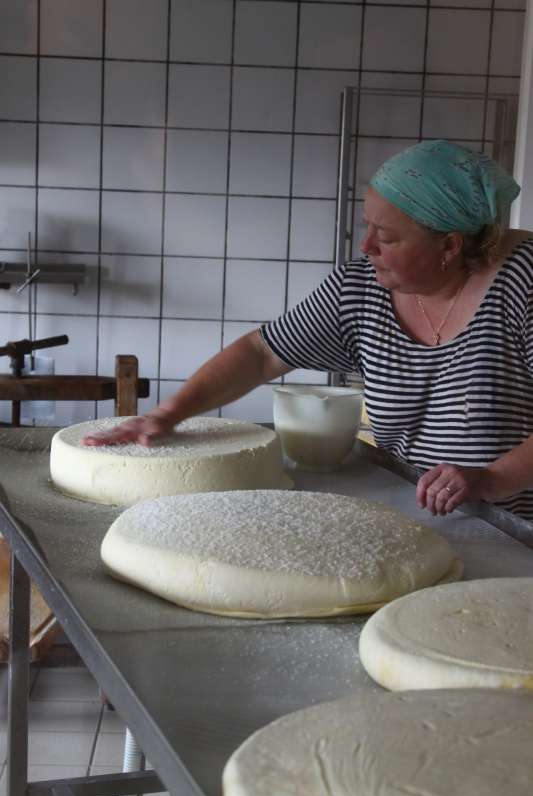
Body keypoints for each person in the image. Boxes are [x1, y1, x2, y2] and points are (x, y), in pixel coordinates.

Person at [83, 140, 533, 520]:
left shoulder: (523, 282)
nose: (366, 245)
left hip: (515, 535)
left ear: (450, 245)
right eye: (367, 226)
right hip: (421, 515)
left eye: (388, 237)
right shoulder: (362, 288)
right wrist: (168, 414)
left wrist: (492, 479)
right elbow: (261, 353)